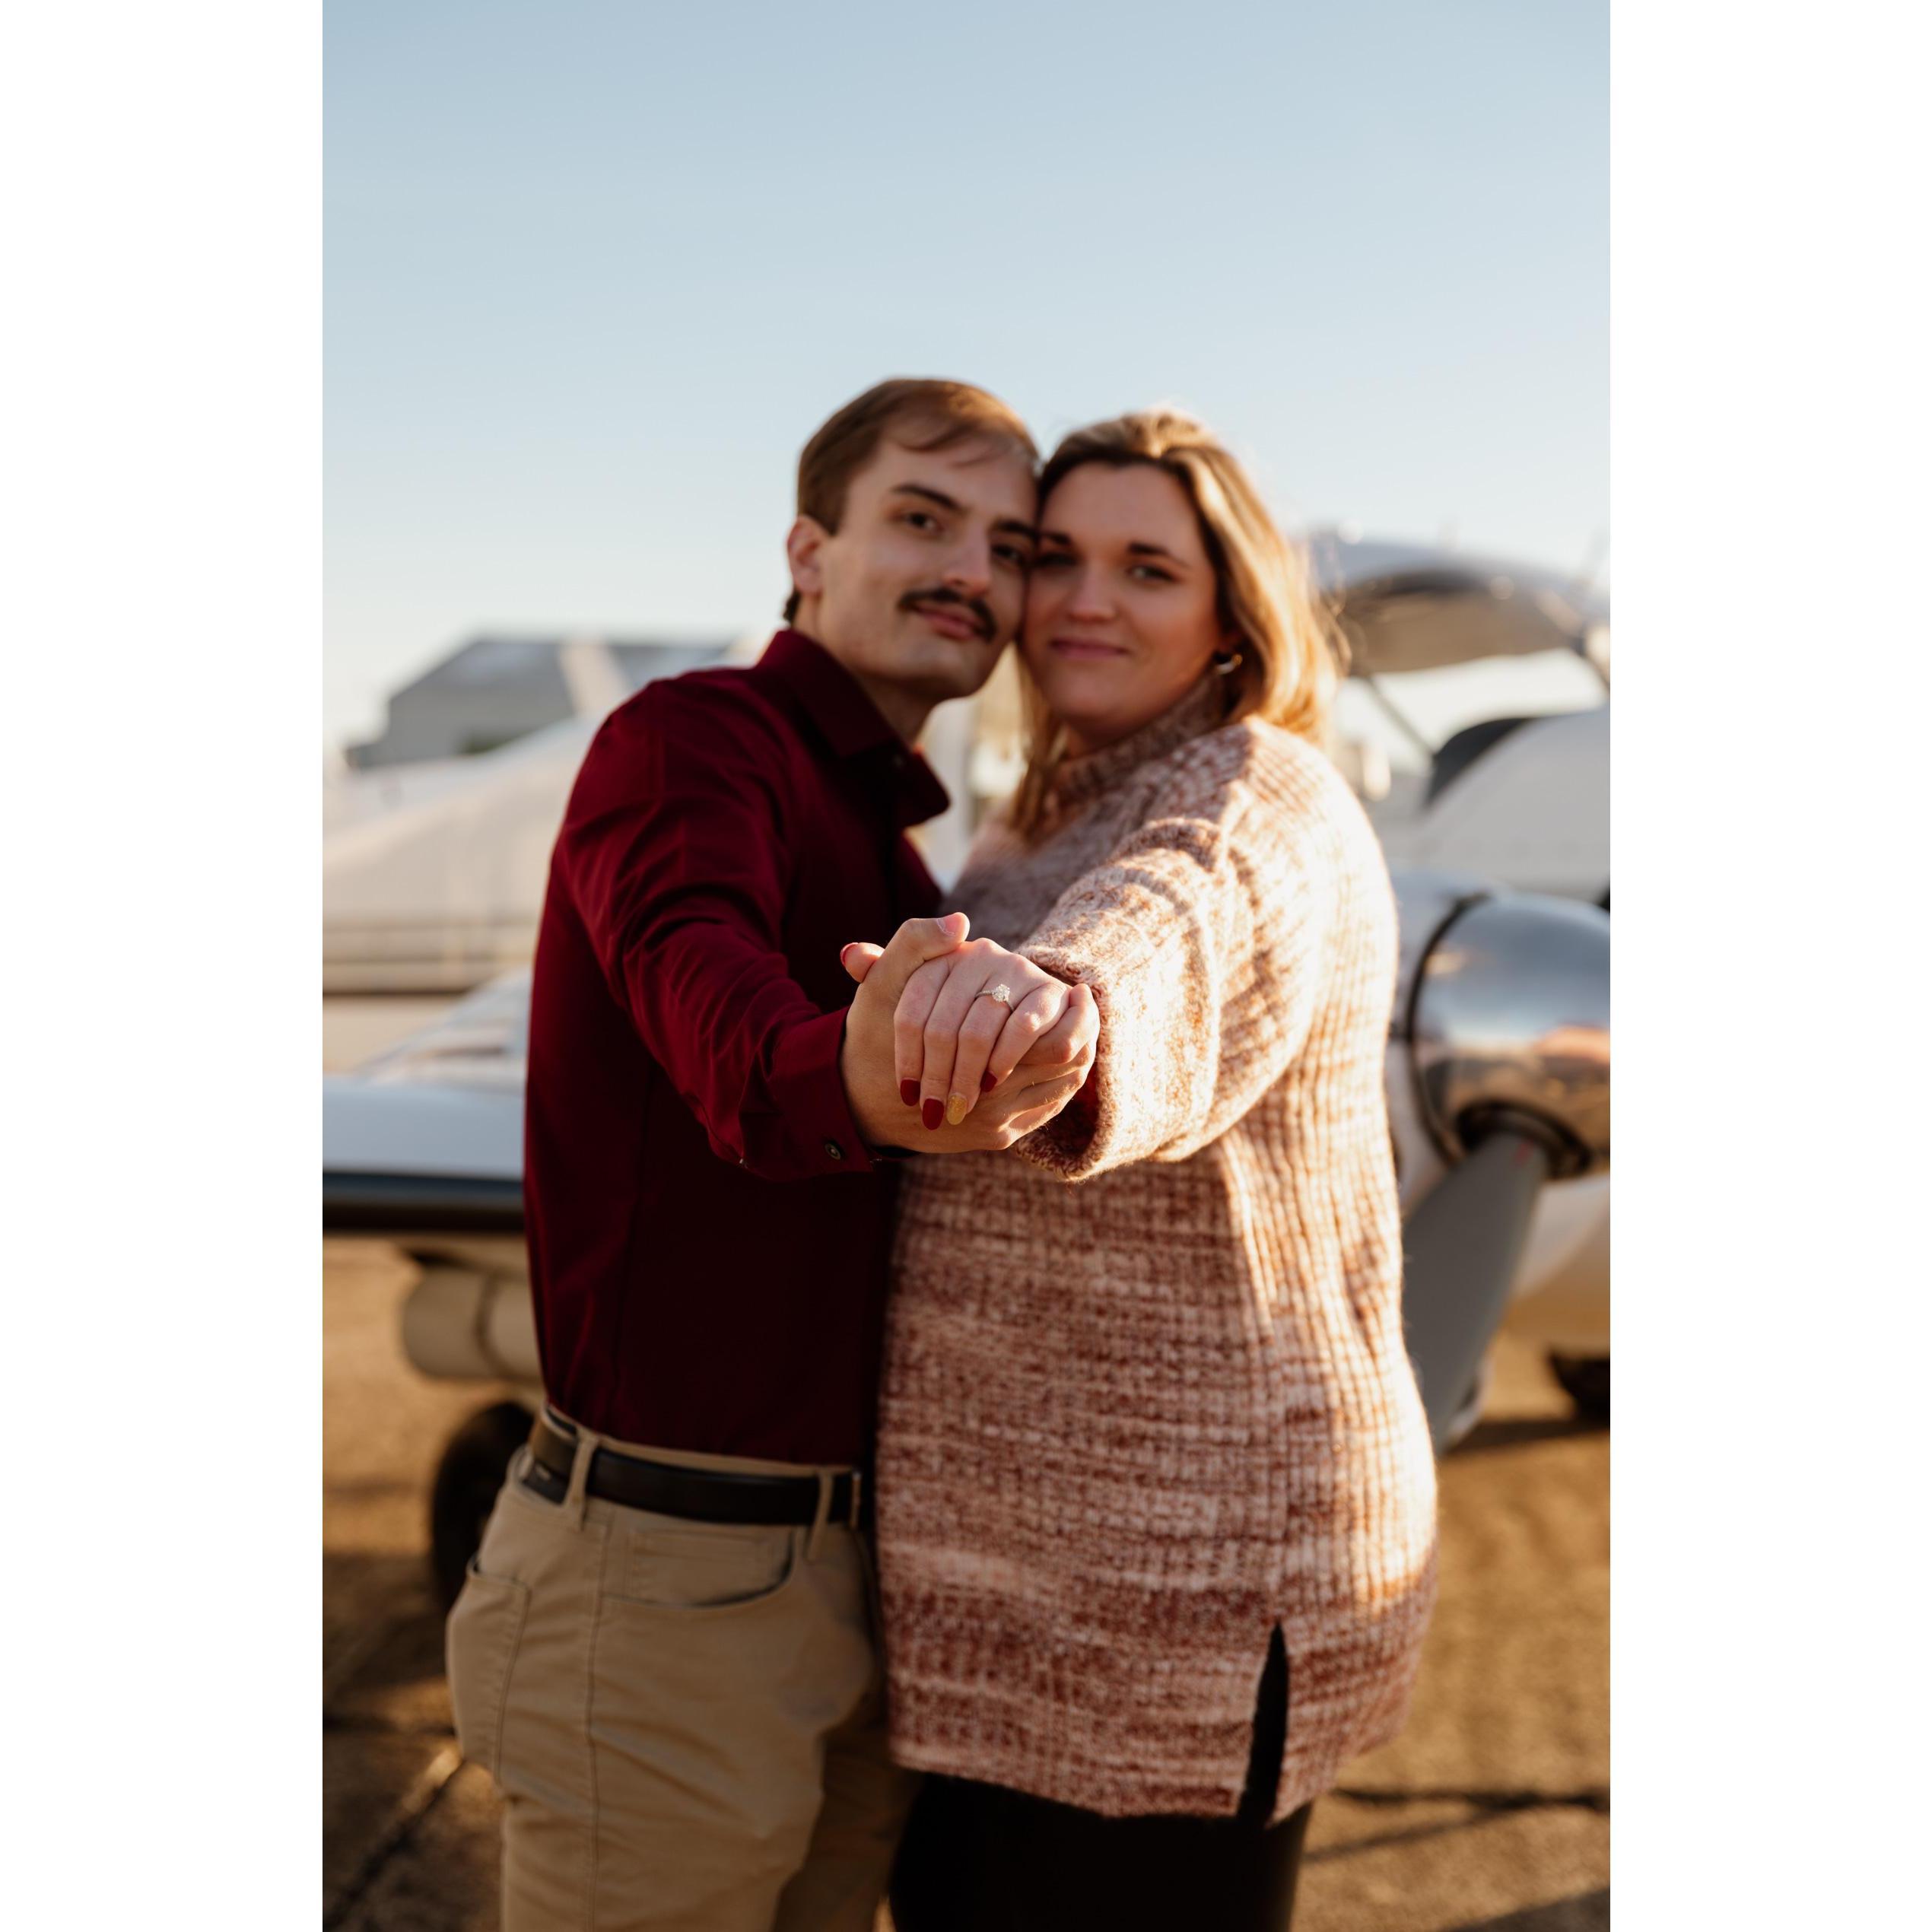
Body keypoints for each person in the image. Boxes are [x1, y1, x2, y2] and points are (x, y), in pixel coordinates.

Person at [443, 377, 1098, 1932]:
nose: (971, 571)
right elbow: (711, 1007)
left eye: (1007, 546)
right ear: (808, 552)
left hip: (856, 1582)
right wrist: (847, 1065)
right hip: (658, 1585)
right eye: (922, 519)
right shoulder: (688, 741)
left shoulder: (904, 855)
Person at [847, 410, 1441, 1930]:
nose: (1085, 600)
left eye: (1147, 568)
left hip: (1186, 1607)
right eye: (1055, 557)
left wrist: (1065, 1007)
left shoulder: (1255, 791)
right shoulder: (1029, 819)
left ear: (1231, 616)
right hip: (1010, 1598)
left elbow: (1179, 917)